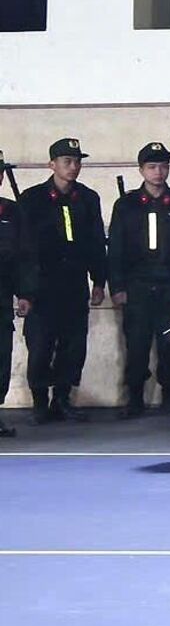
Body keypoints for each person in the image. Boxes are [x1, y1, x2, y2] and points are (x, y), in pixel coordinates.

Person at [19, 138, 107, 423]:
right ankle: (39, 400)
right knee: (41, 345)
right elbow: (24, 248)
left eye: (77, 161)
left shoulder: (88, 198)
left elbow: (96, 242)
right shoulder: (32, 199)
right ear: (52, 164)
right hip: (42, 284)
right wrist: (25, 289)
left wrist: (98, 280)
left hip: (74, 282)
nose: (73, 167)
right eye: (67, 161)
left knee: (73, 345)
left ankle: (62, 398)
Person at [107, 141, 170, 419]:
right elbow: (116, 248)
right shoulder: (127, 204)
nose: (158, 172)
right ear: (141, 170)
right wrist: (117, 287)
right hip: (137, 285)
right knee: (136, 344)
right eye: (152, 166)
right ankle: (134, 398)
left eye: (163, 166)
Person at [0, 180, 34, 438]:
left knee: (1, 359)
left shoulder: (11, 212)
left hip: (1, 297)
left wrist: (25, 293)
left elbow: (24, 256)